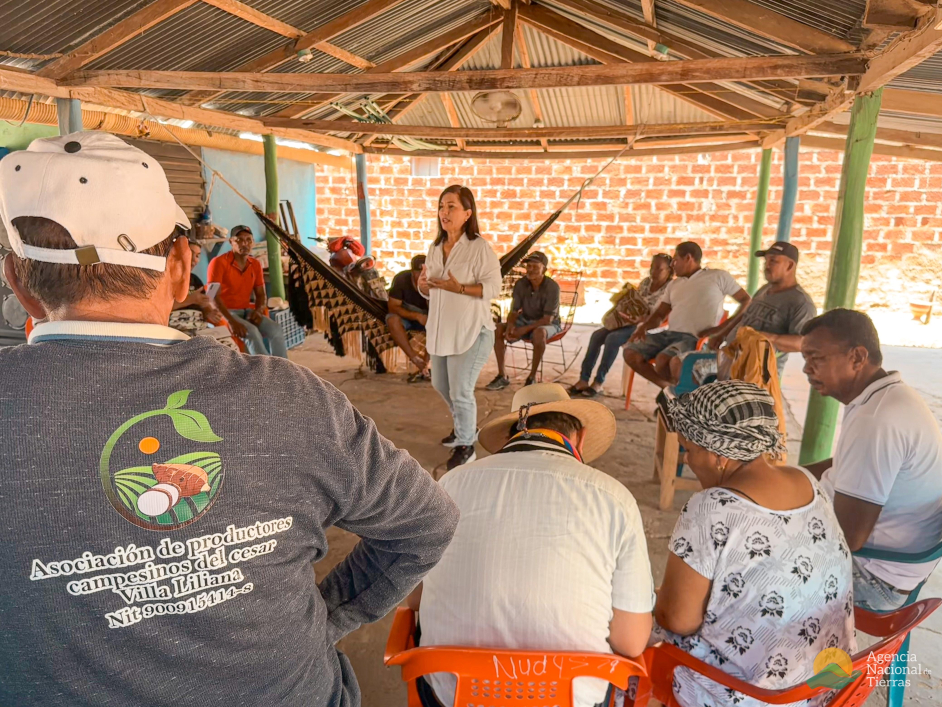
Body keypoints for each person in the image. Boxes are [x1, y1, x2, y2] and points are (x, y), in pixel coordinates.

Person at [0, 132, 459, 707]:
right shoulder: (291, 398)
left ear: (17, 281)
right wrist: (322, 619)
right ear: (180, 265)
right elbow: (427, 522)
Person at [407, 383, 655, 707]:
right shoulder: (615, 499)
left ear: (510, 436)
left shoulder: (451, 483)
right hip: (571, 699)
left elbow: (415, 598)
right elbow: (631, 641)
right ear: (579, 436)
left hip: (451, 694)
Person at [655, 380, 855, 707]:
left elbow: (678, 619)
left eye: (689, 450)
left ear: (718, 454)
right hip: (824, 686)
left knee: (634, 632)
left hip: (757, 696)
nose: (687, 460)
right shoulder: (806, 480)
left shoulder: (712, 507)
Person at [800, 308, 942, 611]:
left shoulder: (876, 419)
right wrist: (786, 477)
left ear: (857, 357)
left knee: (745, 558)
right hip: (897, 564)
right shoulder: (887, 396)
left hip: (873, 578)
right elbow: (846, 463)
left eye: (816, 358)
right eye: (805, 359)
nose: (806, 369)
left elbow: (849, 538)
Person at [418, 185, 502, 470]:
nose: (444, 212)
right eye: (441, 206)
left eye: (451, 206)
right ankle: (465, 426)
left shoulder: (479, 248)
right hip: (441, 331)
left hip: (471, 331)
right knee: (440, 384)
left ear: (467, 213)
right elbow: (431, 291)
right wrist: (422, 287)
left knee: (461, 391)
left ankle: (466, 445)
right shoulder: (434, 248)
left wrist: (461, 288)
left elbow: (494, 288)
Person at [625, 241, 749, 389]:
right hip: (669, 334)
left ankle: (671, 395)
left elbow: (746, 301)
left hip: (694, 338)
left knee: (663, 359)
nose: (672, 265)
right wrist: (643, 327)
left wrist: (722, 329)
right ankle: (668, 390)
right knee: (630, 352)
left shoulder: (718, 276)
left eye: (675, 260)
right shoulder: (674, 285)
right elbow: (659, 314)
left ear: (688, 258)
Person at [708, 241, 817, 379]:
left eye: (773, 261)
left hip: (759, 374)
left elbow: (802, 343)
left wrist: (765, 337)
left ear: (790, 265)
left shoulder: (801, 303)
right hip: (732, 362)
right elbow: (745, 315)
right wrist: (723, 334)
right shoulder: (764, 289)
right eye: (766, 261)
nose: (767, 266)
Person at [572, 254, 673, 397]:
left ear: (669, 270)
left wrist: (641, 320)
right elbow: (636, 302)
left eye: (658, 269)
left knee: (612, 339)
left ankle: (598, 382)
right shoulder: (646, 282)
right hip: (630, 321)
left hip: (647, 327)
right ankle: (583, 379)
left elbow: (663, 316)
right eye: (652, 267)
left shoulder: (670, 288)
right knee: (596, 336)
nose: (653, 272)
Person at [207, 224, 288, 358]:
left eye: (248, 240)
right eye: (239, 240)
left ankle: (282, 367)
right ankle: (263, 368)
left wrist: (258, 311)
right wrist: (231, 322)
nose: (244, 244)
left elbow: (261, 294)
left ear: (253, 242)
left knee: (276, 329)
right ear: (231, 242)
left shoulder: (255, 264)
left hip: (246, 311)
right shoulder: (218, 262)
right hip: (225, 313)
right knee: (252, 332)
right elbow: (212, 296)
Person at [486, 251, 561, 390]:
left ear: (544, 269)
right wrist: (510, 325)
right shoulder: (521, 284)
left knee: (539, 334)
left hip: (548, 324)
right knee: (497, 329)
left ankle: (532, 377)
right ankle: (502, 376)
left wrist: (523, 330)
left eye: (535, 266)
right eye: (528, 266)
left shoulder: (552, 287)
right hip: (525, 319)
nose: (530, 270)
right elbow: (514, 310)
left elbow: (547, 319)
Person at [168, 238, 238, 350]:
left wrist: (209, 311)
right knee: (200, 351)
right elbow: (159, 308)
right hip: (178, 328)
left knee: (230, 348)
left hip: (200, 327)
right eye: (191, 253)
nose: (194, 260)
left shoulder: (195, 280)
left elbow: (204, 304)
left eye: (197, 256)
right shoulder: (166, 279)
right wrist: (191, 299)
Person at [386, 254, 431, 379]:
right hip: (406, 316)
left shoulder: (436, 281)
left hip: (429, 317)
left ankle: (426, 365)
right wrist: (417, 316)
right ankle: (415, 359)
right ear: (412, 272)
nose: (422, 275)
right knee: (392, 320)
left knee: (439, 324)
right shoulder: (402, 280)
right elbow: (393, 307)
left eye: (426, 272)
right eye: (418, 272)